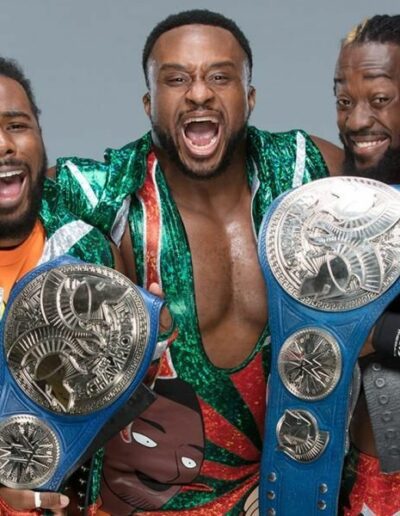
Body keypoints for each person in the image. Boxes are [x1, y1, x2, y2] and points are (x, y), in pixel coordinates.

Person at [48, 9, 344, 514]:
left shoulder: (307, 171)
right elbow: (18, 191)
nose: (200, 93)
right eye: (176, 79)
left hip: (284, 497)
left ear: (249, 97)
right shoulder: (108, 194)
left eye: (220, 77)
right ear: (149, 103)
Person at [334, 14, 400, 515]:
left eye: (379, 99)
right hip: (359, 478)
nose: (357, 121)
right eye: (344, 101)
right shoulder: (336, 197)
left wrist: (374, 334)